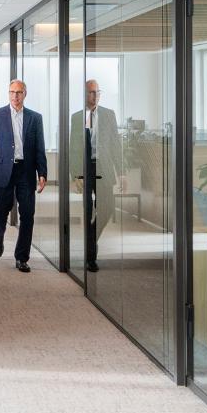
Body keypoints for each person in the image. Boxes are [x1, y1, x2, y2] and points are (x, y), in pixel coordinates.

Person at [0, 79, 48, 272]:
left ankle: (22, 258)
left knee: (27, 214)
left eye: (19, 92)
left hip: (26, 172)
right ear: (8, 94)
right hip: (3, 170)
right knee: (1, 210)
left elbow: (39, 148)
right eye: (12, 92)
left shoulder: (35, 118)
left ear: (25, 94)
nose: (15, 96)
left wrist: (42, 172)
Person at [69, 79, 126, 272]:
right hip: (87, 170)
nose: (94, 96)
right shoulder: (77, 117)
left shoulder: (109, 115)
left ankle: (91, 238)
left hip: (103, 168)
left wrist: (122, 173)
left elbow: (116, 145)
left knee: (108, 207)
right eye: (91, 92)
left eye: (97, 92)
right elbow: (74, 147)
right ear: (84, 94)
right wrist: (75, 174)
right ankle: (91, 258)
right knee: (88, 211)